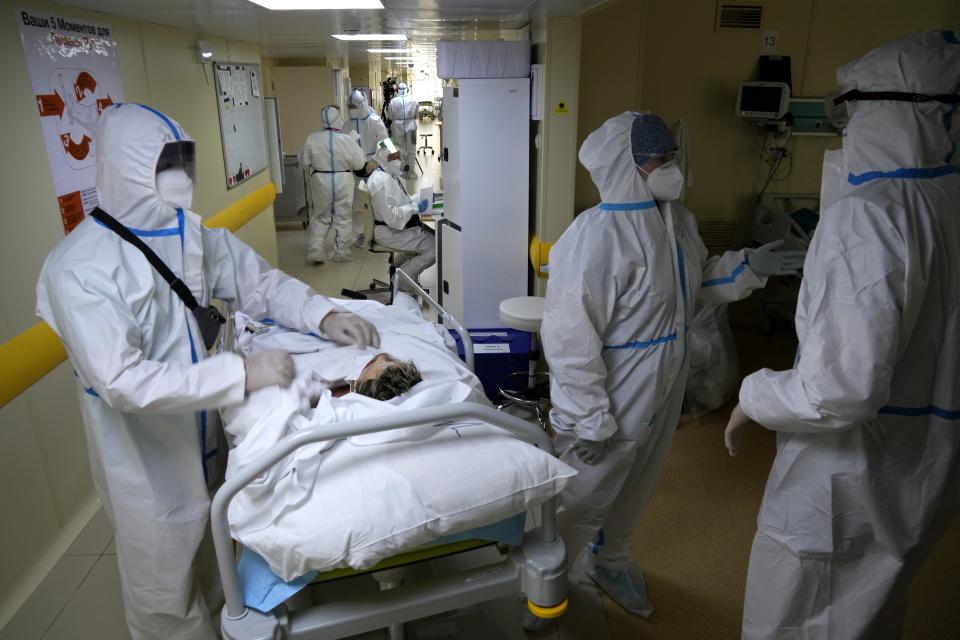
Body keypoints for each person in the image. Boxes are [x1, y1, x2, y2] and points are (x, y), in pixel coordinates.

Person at [35, 103, 380, 640]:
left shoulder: (189, 234)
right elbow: (123, 381)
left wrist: (323, 313)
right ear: (126, 169)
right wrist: (241, 375)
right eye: (162, 167)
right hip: (146, 456)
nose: (178, 182)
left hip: (211, 431)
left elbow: (259, 283)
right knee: (165, 585)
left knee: (219, 549)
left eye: (182, 164)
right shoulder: (79, 269)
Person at [724, 31, 960, 640]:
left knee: (799, 611)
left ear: (888, 109)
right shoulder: (945, 201)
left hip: (845, 473)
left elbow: (839, 390)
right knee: (873, 599)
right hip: (927, 454)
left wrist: (755, 393)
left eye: (850, 110)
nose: (845, 127)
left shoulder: (871, 215)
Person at [541, 112, 803, 618]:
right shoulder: (595, 236)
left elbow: (691, 289)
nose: (673, 166)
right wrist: (584, 415)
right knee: (584, 494)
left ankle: (611, 558)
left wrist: (747, 267)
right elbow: (571, 336)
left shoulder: (677, 222)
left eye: (672, 155)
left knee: (641, 476)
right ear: (630, 165)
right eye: (661, 158)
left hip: (665, 374)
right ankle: (548, 581)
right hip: (615, 385)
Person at [299, 105, 372, 263]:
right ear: (338, 119)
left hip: (320, 180)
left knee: (321, 216)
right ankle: (341, 252)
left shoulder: (312, 138)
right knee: (344, 217)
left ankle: (316, 249)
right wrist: (352, 143)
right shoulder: (347, 140)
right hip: (343, 180)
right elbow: (359, 165)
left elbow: (304, 162)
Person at [365, 138, 435, 287]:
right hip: (388, 231)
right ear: (382, 158)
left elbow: (403, 200)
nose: (397, 161)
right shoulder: (380, 182)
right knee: (435, 247)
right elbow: (392, 218)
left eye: (398, 156)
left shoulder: (389, 175)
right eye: (392, 157)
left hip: (392, 227)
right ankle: (404, 280)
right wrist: (414, 207)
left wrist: (419, 198)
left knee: (424, 241)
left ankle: (397, 271)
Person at [347, 89, 389, 248]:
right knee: (358, 204)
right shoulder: (347, 124)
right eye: (349, 106)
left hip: (374, 168)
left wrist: (376, 161)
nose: (351, 109)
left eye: (354, 106)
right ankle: (361, 234)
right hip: (355, 171)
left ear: (362, 105)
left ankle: (380, 233)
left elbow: (386, 143)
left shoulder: (375, 121)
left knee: (377, 201)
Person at [386, 82, 418, 179]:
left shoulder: (393, 101)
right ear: (407, 89)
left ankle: (403, 170)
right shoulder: (413, 101)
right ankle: (411, 172)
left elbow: (390, 116)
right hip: (412, 127)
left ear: (397, 90)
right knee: (412, 148)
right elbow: (416, 115)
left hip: (397, 127)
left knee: (400, 148)